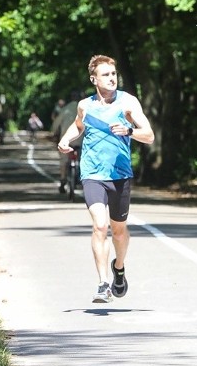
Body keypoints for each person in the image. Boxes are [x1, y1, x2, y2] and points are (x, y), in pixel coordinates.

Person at [57, 55, 155, 303]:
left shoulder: (127, 103)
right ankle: (102, 284)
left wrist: (130, 131)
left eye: (114, 73)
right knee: (100, 225)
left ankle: (118, 269)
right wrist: (66, 139)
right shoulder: (85, 106)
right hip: (92, 174)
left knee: (119, 231)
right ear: (94, 79)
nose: (112, 78)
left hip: (120, 175)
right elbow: (79, 126)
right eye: (106, 74)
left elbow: (150, 135)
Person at [50, 91, 83, 193]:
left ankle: (63, 179)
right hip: (81, 139)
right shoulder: (84, 108)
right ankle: (82, 178)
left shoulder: (65, 109)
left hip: (67, 138)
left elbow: (56, 123)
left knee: (64, 160)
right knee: (83, 158)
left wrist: (54, 133)